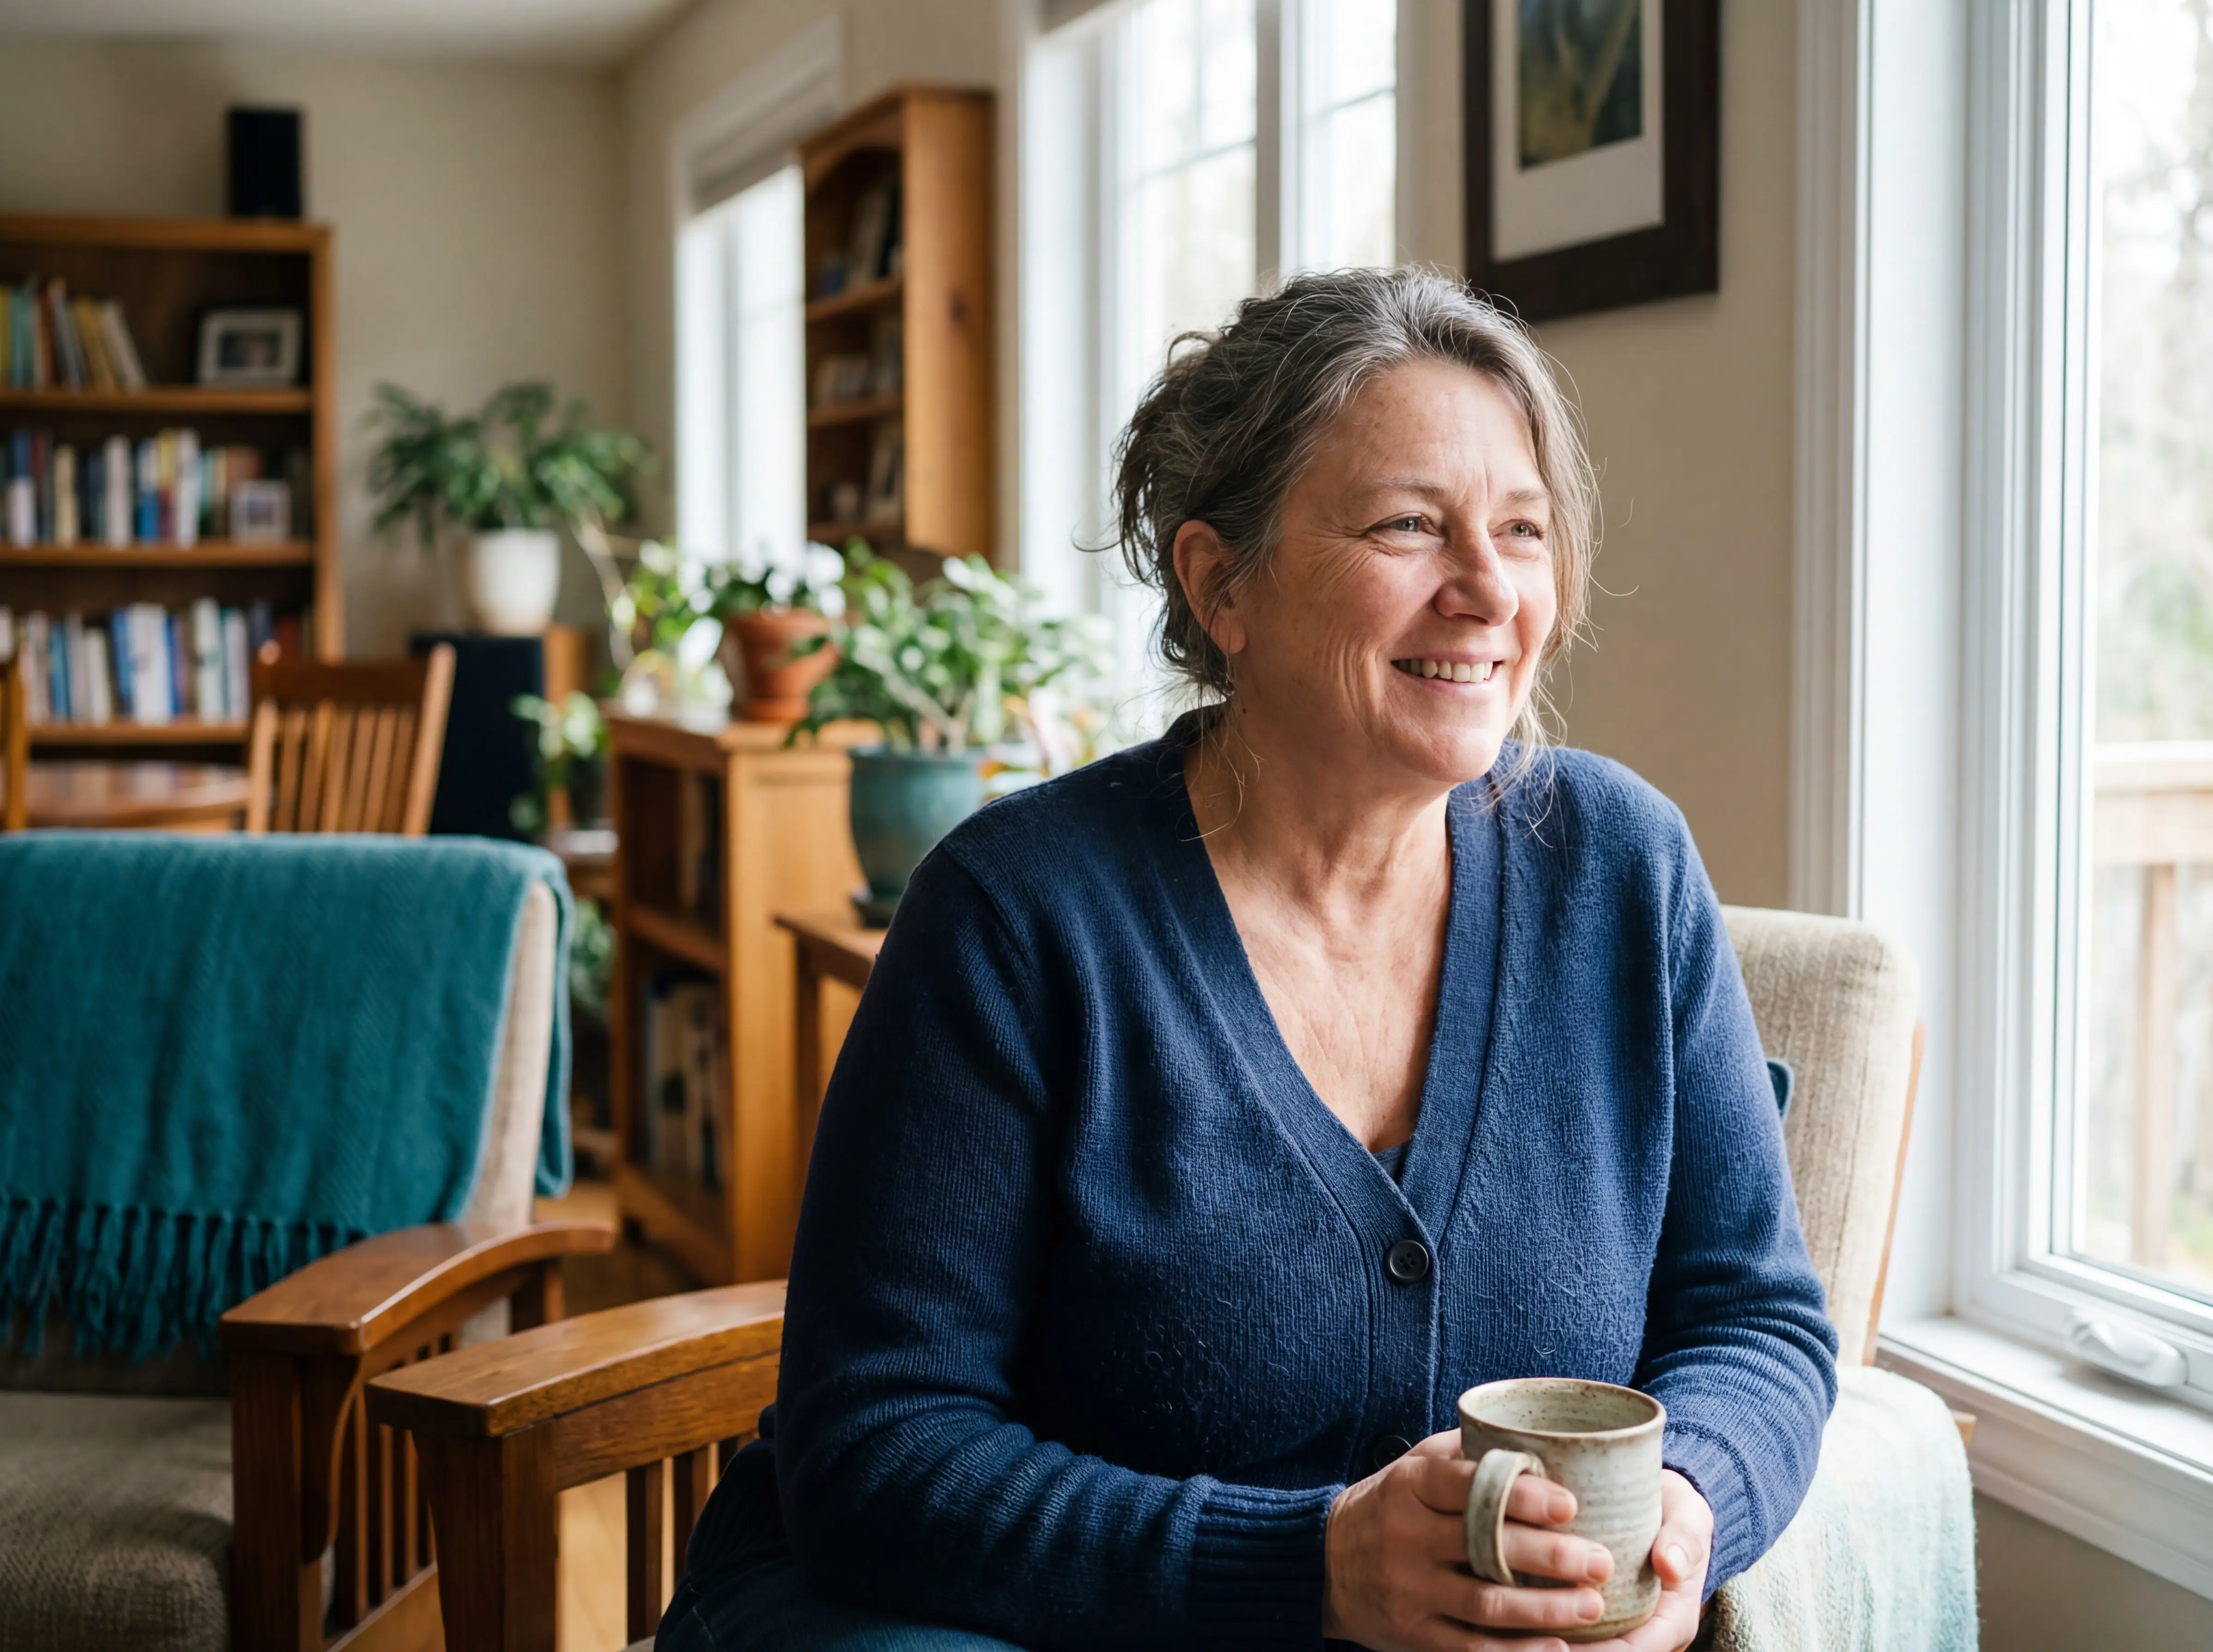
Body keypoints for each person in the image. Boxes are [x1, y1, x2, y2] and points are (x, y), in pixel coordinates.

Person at [661, 267, 1837, 1652]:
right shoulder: (1014, 914)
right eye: (1410, 526)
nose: (1487, 592)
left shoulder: (1625, 871)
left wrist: (1688, 1507)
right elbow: (875, 1446)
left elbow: (1758, 1319)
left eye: (1522, 530)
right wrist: (1313, 1568)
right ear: (1221, 583)